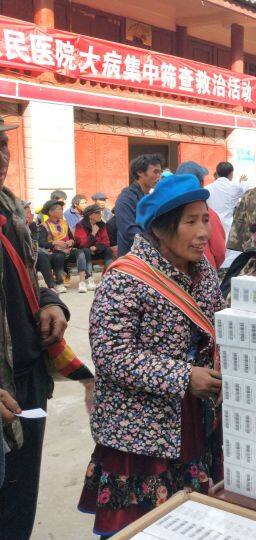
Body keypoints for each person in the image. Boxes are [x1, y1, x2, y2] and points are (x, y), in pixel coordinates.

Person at [77, 173, 224, 538]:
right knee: (140, 528)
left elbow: (218, 321)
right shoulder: (126, 279)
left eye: (205, 220)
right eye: (190, 222)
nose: (203, 233)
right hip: (141, 433)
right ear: (159, 229)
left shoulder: (203, 271)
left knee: (191, 522)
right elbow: (113, 355)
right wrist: (183, 377)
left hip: (192, 419)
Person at [0, 117, 94, 540]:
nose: (1, 157)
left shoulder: (10, 210)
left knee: (19, 504)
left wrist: (53, 302)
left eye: (3, 145)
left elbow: (30, 274)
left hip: (26, 380)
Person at [176, 161, 226, 270]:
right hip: (203, 272)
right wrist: (211, 270)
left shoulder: (168, 213)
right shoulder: (208, 214)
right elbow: (220, 252)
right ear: (201, 183)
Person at [37, 199, 94, 293]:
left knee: (80, 253)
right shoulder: (44, 226)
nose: (61, 211)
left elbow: (72, 238)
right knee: (58, 256)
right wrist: (55, 243)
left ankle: (82, 282)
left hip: (68, 250)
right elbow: (41, 243)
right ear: (50, 212)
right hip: (54, 252)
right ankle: (59, 283)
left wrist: (71, 241)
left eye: (61, 209)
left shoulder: (64, 223)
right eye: (59, 209)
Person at [116, 154, 163, 256]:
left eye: (160, 172)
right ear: (140, 172)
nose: (159, 177)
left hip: (152, 255)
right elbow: (129, 231)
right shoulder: (126, 198)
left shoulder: (151, 197)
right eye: (155, 172)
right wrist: (156, 245)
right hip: (133, 258)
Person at [73, 204, 114, 282]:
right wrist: (93, 233)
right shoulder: (80, 225)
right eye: (97, 213)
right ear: (90, 215)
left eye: (100, 212)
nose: (100, 215)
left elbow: (106, 242)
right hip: (85, 253)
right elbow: (81, 244)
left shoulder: (102, 225)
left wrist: (96, 247)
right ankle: (89, 277)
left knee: (108, 250)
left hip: (97, 251)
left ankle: (109, 276)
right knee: (86, 250)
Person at [205, 161, 247, 237]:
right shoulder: (235, 187)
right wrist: (243, 182)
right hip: (227, 226)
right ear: (231, 173)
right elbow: (245, 191)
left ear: (217, 173)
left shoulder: (207, 188)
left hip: (211, 225)